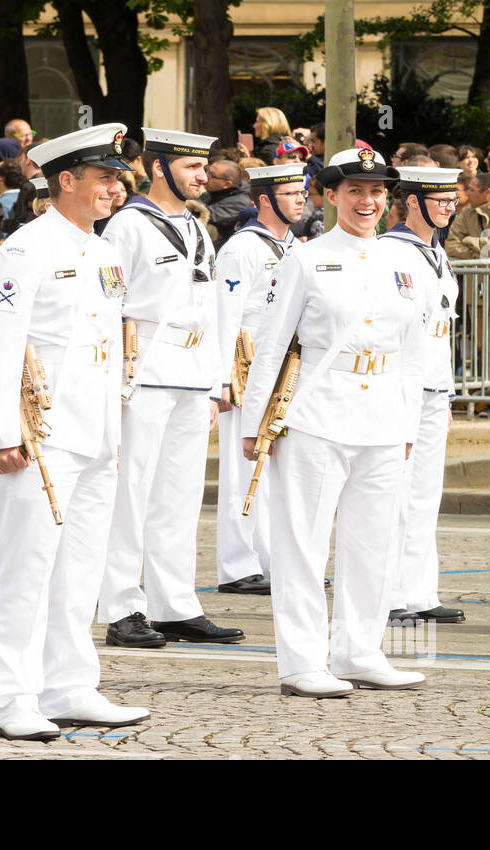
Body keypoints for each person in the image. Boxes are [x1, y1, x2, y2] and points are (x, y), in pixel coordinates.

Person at [0, 122, 150, 739]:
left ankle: (70, 684)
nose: (115, 189)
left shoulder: (104, 251)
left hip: (95, 430)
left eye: (118, 178)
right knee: (27, 565)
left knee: (81, 567)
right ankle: (13, 697)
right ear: (65, 179)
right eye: (104, 178)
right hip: (40, 435)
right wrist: (0, 433)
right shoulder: (24, 252)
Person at [240, 147, 425, 698]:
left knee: (373, 543)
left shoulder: (405, 262)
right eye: (355, 192)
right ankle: (302, 661)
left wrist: (409, 422)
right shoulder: (304, 259)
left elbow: (413, 351)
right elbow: (271, 344)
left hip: (384, 414)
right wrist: (256, 423)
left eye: (376, 192)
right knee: (303, 542)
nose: (367, 201)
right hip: (316, 412)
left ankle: (359, 651)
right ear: (331, 195)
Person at [96, 127, 244, 649]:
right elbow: (109, 302)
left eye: (203, 168)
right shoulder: (127, 226)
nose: (203, 176)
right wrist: (114, 379)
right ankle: (121, 606)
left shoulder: (198, 229)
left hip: (189, 368)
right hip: (144, 368)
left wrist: (211, 384)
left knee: (178, 495)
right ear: (160, 168)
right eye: (190, 168)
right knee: (129, 493)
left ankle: (174, 603)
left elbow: (206, 306)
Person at [211, 163, 305, 597]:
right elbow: (226, 314)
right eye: (289, 192)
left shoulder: (295, 246)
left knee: (278, 470)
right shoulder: (242, 248)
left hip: (283, 365)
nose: (301, 198)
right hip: (246, 363)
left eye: (302, 190)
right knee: (241, 466)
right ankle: (237, 564)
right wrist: (223, 380)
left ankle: (272, 559)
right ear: (264, 199)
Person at [381, 166, 469, 627]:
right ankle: (388, 592)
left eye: (452, 201)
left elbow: (442, 331)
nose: (449, 208)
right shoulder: (391, 251)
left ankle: (418, 590)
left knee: (424, 492)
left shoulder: (437, 253)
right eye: (440, 200)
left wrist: (448, 394)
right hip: (401, 386)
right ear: (413, 201)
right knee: (393, 491)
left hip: (433, 387)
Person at [202, 159, 252, 248]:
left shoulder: (240, 202)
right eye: (206, 171)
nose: (205, 176)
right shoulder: (214, 191)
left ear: (227, 184)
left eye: (211, 175)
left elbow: (202, 214)